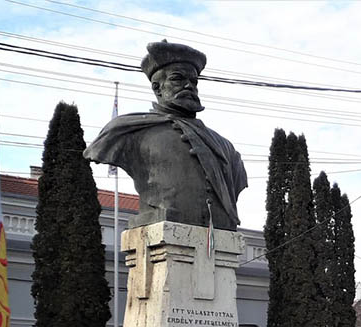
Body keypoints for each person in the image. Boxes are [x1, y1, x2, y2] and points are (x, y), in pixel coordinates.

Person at [84, 41, 248, 231]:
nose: (188, 86)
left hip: (219, 234)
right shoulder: (127, 131)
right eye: (178, 79)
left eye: (193, 81)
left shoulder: (225, 147)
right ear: (157, 88)